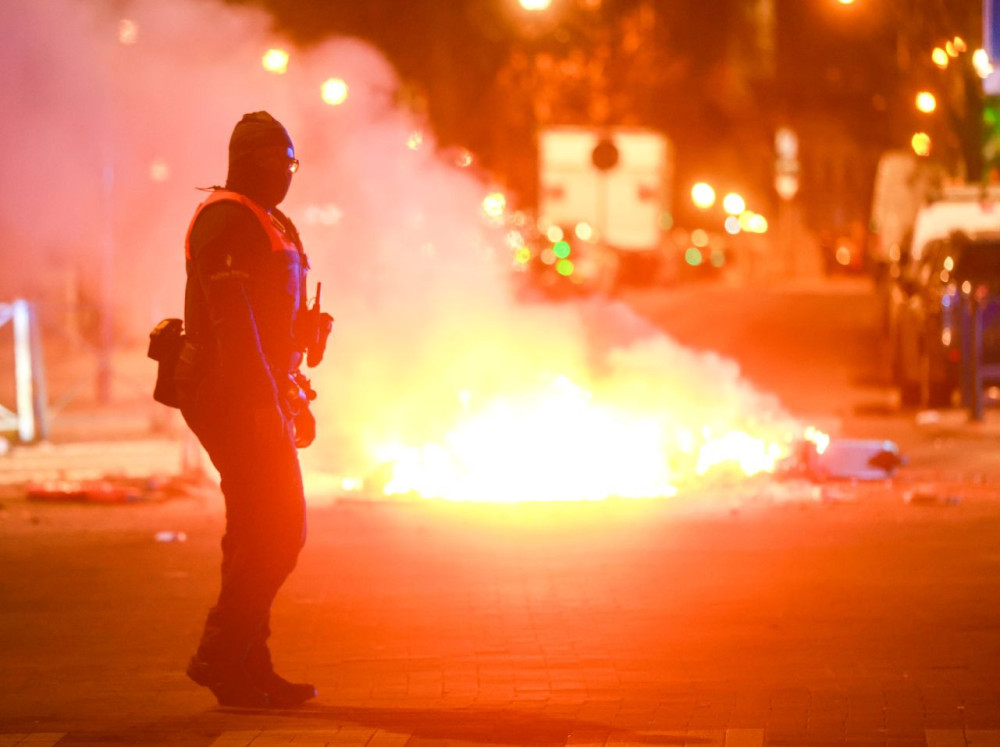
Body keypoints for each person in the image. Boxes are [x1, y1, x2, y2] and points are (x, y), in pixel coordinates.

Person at [175, 111, 324, 708]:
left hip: (261, 388)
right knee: (282, 527)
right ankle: (219, 654)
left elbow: (269, 320)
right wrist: (264, 406)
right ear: (248, 161)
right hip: (229, 389)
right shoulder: (226, 218)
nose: (286, 175)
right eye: (277, 163)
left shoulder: (270, 219)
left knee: (252, 529)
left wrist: (294, 379)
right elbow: (235, 329)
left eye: (291, 164)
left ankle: (244, 664)